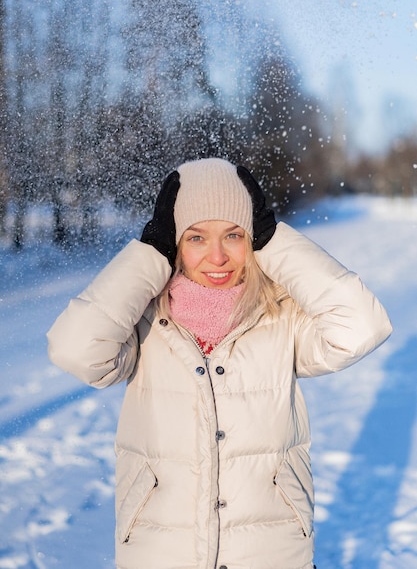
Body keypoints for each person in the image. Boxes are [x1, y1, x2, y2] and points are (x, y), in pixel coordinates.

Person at [47, 157, 392, 569]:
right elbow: (74, 349)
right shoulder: (143, 323)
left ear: (255, 239)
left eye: (234, 235)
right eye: (195, 238)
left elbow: (362, 325)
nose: (217, 256)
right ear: (172, 242)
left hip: (269, 555)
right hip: (160, 554)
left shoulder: (280, 317)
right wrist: (146, 256)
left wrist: (277, 241)